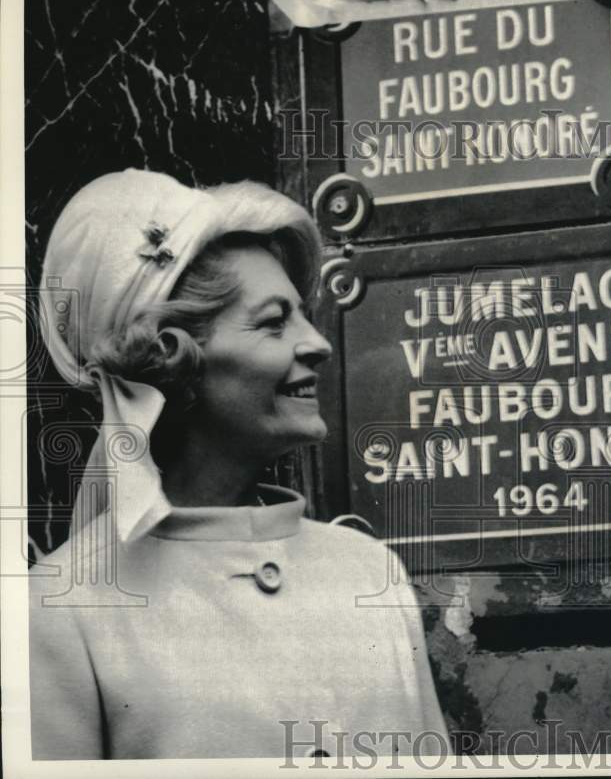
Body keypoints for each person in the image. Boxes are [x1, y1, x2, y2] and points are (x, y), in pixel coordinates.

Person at [30, 170, 450, 760]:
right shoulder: (61, 608)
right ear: (173, 358)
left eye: (302, 315)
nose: (318, 343)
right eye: (274, 322)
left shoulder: (368, 574)